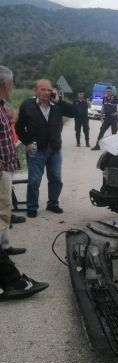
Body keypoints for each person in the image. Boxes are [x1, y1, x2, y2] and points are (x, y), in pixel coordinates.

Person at [0, 65, 49, 300]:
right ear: (5, 85)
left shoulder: (3, 106)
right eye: (11, 84)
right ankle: (12, 280)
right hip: (0, 170)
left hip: (6, 168)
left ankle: (6, 259)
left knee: (4, 211)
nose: (12, 87)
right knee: (1, 213)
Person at [15, 79, 76, 218]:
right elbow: (19, 128)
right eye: (43, 89)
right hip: (36, 149)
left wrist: (59, 101)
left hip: (54, 148)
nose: (46, 92)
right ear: (35, 91)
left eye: (49, 90)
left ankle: (53, 203)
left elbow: (74, 113)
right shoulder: (27, 105)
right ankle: (32, 207)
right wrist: (28, 142)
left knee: (55, 178)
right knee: (34, 180)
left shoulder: (56, 105)